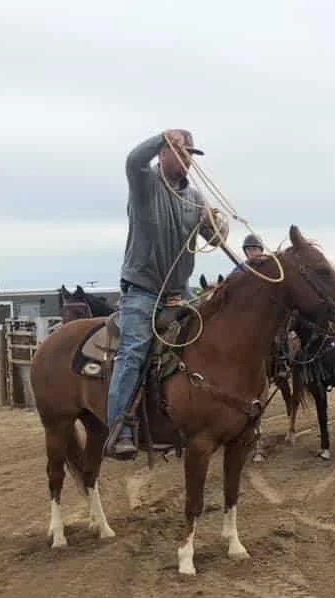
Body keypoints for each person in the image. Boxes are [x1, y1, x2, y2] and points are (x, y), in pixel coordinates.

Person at [105, 128, 226, 460]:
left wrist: (219, 227)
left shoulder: (196, 199)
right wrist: (161, 136)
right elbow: (133, 159)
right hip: (143, 290)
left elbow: (215, 239)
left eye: (191, 154)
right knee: (133, 352)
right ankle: (120, 428)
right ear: (163, 153)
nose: (188, 159)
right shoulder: (145, 184)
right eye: (181, 152)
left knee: (211, 337)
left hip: (180, 290)